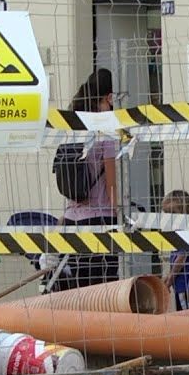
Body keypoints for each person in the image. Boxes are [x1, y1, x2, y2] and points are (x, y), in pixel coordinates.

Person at [57, 68, 120, 290]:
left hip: (72, 219)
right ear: (109, 97)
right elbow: (111, 182)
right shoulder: (105, 129)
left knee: (81, 290)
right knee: (104, 291)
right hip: (100, 220)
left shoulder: (73, 126)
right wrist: (118, 215)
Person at [161, 190, 189, 310]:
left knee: (186, 314)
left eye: (173, 213)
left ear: (184, 212)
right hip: (184, 284)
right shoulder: (179, 231)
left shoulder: (184, 231)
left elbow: (181, 258)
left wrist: (171, 278)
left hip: (187, 283)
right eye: (166, 213)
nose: (170, 217)